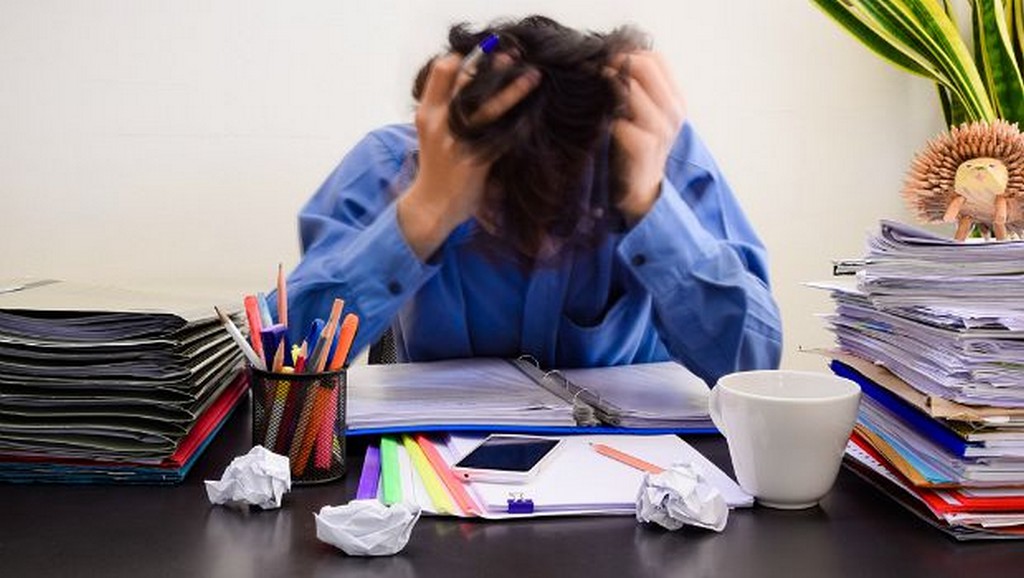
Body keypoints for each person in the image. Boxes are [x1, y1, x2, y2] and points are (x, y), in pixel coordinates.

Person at [283, 16, 782, 385]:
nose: (538, 242)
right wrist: (425, 212)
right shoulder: (393, 164)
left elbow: (753, 366)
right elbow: (281, 358)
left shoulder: (662, 157)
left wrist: (649, 202)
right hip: (433, 475)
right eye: (497, 206)